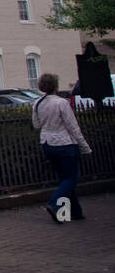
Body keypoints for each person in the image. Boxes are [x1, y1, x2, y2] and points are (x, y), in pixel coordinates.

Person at [32, 72, 90, 222]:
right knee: (71, 178)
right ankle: (54, 204)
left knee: (64, 179)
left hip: (47, 143)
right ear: (55, 85)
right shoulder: (61, 103)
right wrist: (84, 147)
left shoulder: (37, 103)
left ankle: (73, 212)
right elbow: (73, 127)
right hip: (65, 144)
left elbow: (36, 125)